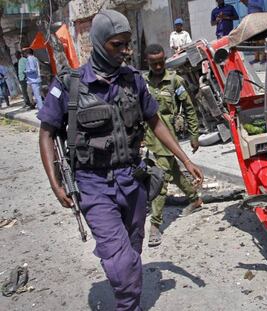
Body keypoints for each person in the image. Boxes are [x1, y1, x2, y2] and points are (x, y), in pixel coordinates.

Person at [38, 10, 203, 311]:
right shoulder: (70, 84)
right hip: (92, 184)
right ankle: (129, 305)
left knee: (132, 248)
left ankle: (128, 292)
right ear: (100, 43)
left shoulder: (133, 81)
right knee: (121, 261)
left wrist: (184, 159)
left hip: (132, 179)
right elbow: (46, 133)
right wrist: (55, 183)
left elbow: (155, 121)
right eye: (118, 44)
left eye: (127, 43)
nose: (126, 50)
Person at [143, 43, 202, 247]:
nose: (158, 67)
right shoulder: (143, 83)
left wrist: (194, 135)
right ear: (148, 63)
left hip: (168, 137)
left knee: (161, 178)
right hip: (150, 136)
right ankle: (195, 198)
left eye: (161, 62)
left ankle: (155, 225)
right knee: (173, 171)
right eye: (154, 64)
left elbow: (189, 108)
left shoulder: (175, 81)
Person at [240, 0, 266, 64]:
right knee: (256, 41)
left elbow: (260, 6)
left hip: (259, 19)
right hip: (252, 20)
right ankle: (256, 58)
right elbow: (248, 6)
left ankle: (264, 57)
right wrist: (244, 2)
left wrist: (248, 1)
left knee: (261, 41)